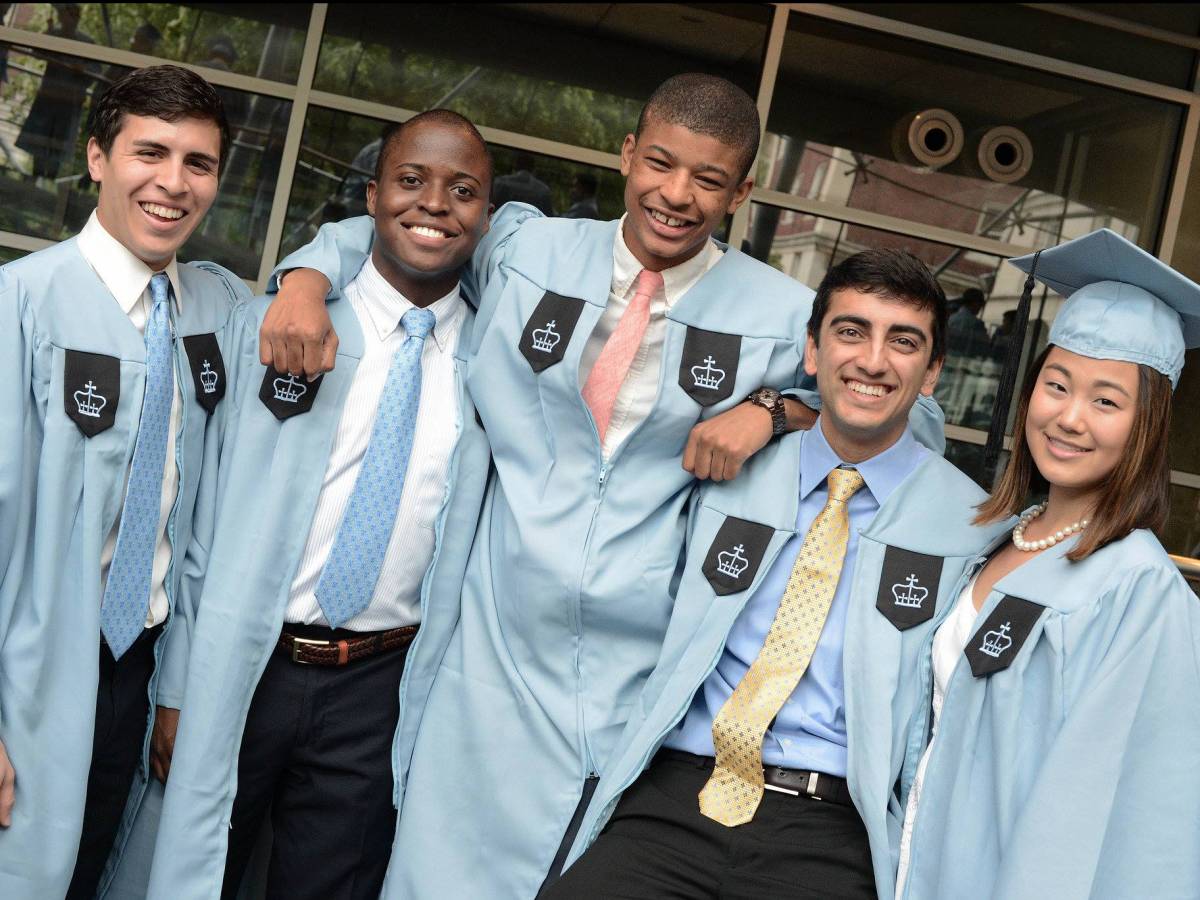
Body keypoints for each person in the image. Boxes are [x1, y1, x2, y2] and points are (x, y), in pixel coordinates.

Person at [264, 73, 945, 898]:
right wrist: (304, 278)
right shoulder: (529, 252)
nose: (676, 194)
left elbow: (904, 415)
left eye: (708, 179)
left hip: (638, 672)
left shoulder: (780, 313)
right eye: (660, 163)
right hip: (491, 649)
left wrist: (772, 410)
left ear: (741, 193)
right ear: (627, 154)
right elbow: (404, 229)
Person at [544, 249, 1008, 899]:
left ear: (932, 372)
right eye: (851, 332)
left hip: (833, 829)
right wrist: (771, 409)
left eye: (903, 342)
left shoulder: (971, 529)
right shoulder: (724, 472)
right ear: (813, 352)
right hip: (679, 794)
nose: (873, 361)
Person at [144, 109, 494, 900]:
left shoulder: (494, 357)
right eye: (410, 180)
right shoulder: (276, 326)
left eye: (463, 190)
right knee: (196, 874)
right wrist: (178, 687)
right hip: (250, 663)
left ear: (487, 216)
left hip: (381, 686)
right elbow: (198, 524)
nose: (434, 204)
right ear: (370, 197)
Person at [0, 65, 251, 900]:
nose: (173, 183)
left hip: (140, 672)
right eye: (151, 153)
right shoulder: (22, 305)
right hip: (32, 665)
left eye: (198, 163)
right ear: (97, 157)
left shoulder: (216, 314)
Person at [895, 228, 1200, 899]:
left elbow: (1128, 816)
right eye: (1056, 386)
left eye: (1106, 400)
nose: (1069, 417)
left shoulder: (1140, 592)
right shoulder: (995, 540)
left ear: (1146, 426)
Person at [16, 3, 100, 180]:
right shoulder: (54, 34)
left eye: (74, 15)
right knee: (40, 139)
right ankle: (34, 178)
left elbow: (95, 71)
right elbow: (36, 51)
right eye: (67, 14)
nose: (70, 19)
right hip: (48, 98)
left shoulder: (86, 43)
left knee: (59, 146)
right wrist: (47, 34)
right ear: (62, 16)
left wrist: (83, 69)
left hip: (69, 103)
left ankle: (50, 180)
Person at [492, 150, 555, 215]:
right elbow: (548, 217)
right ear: (533, 168)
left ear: (515, 165)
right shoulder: (543, 190)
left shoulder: (500, 183)